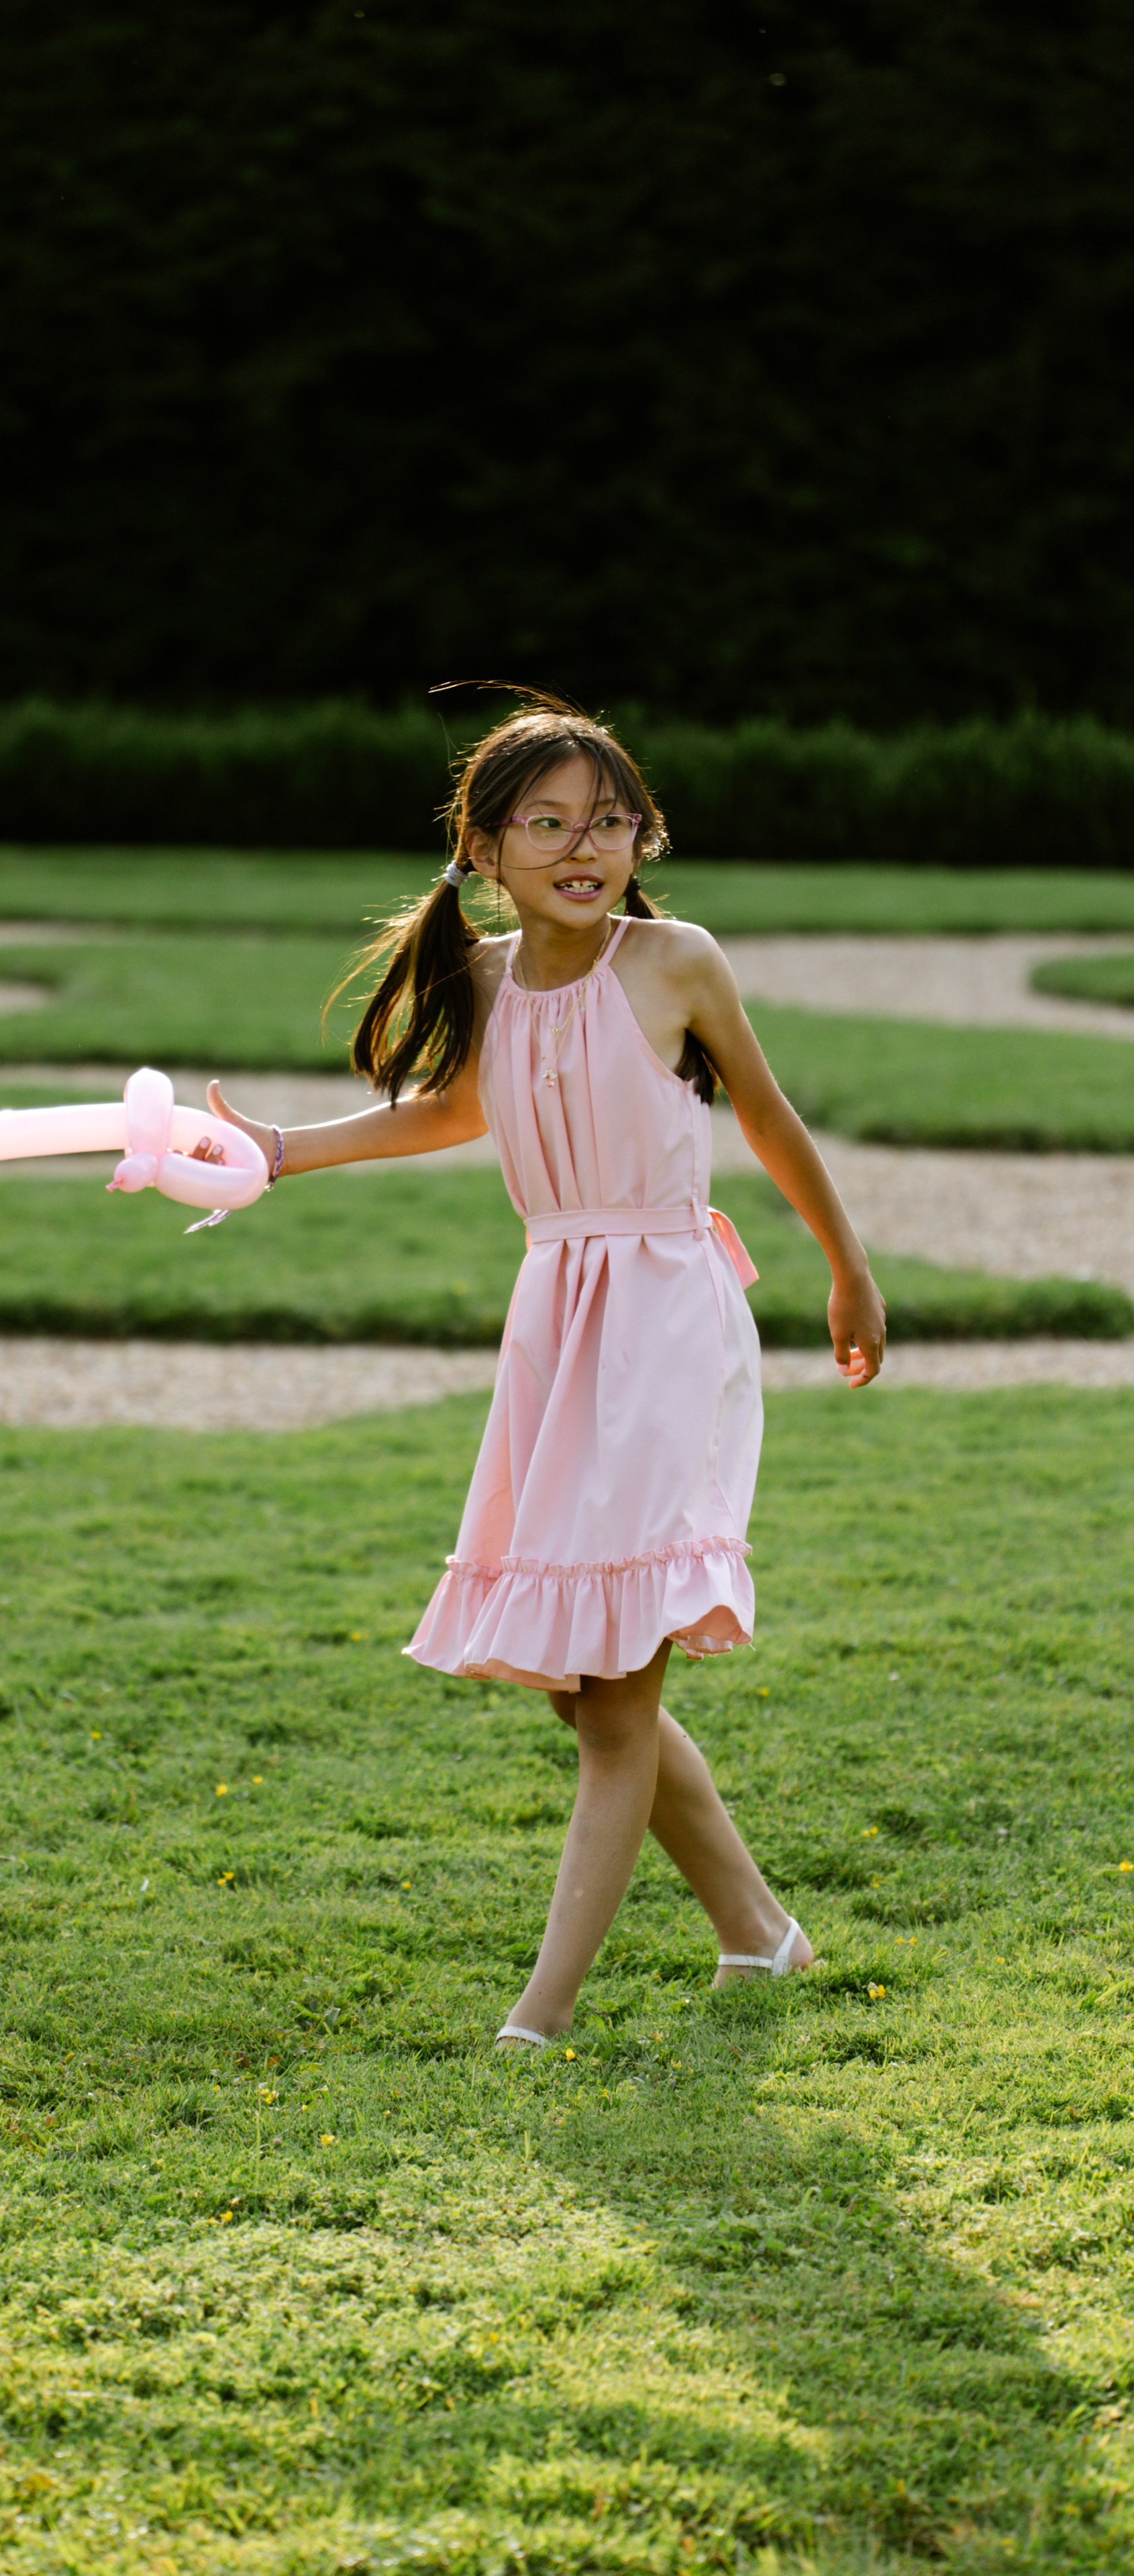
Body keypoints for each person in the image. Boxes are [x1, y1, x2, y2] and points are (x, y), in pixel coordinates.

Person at [207, 690, 886, 2048]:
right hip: (560, 1324)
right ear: (485, 848)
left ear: (642, 840)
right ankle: (760, 1933)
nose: (585, 848)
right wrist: (281, 1151)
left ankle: (542, 2014)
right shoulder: (487, 979)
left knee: (616, 1687)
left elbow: (765, 1112)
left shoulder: (676, 962)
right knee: (588, 1686)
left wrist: (847, 1266)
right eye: (550, 825)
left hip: (666, 1319)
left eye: (610, 823)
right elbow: (458, 1109)